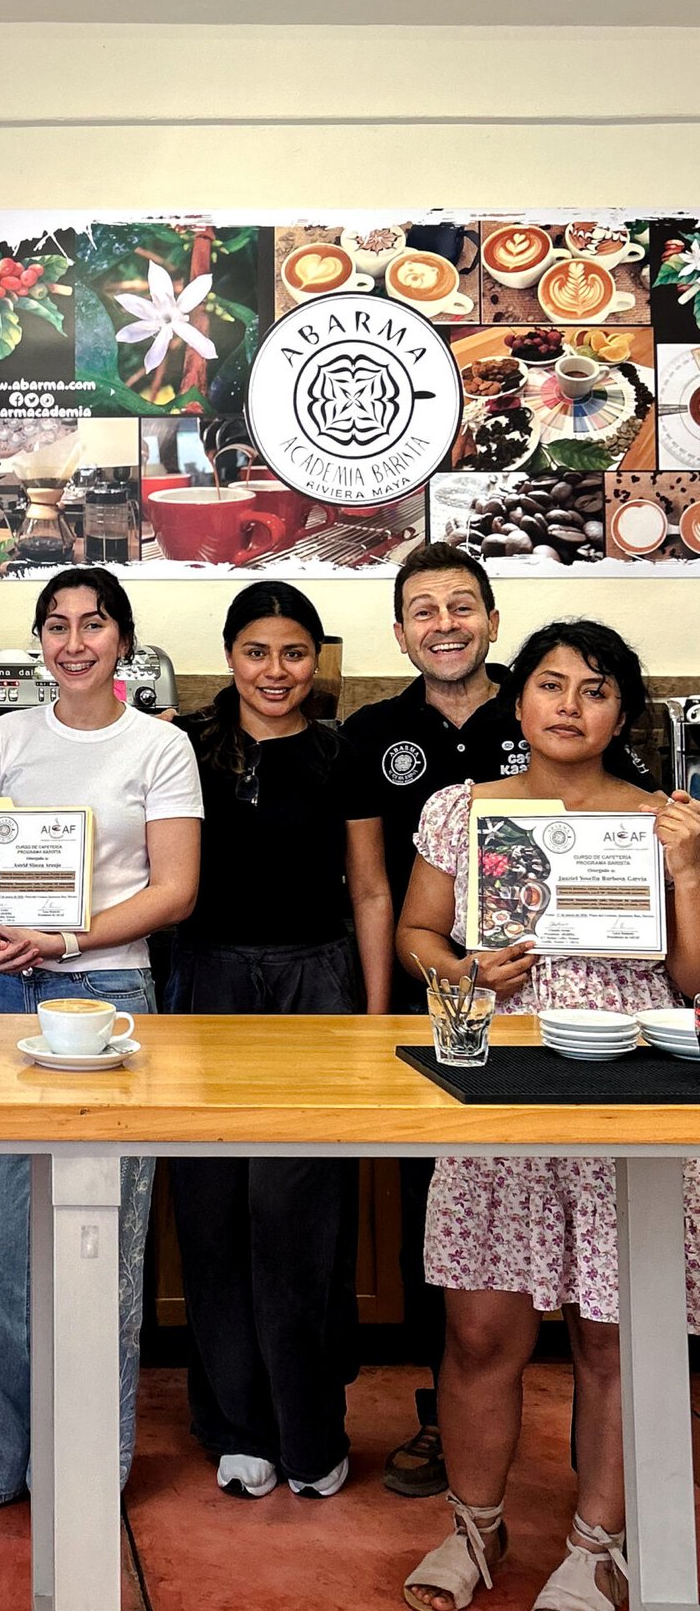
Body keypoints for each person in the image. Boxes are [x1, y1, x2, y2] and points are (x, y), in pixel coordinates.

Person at [398, 620, 700, 1611]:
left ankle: (596, 1545)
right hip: (500, 1078)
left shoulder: (662, 821)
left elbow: (693, 979)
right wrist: (465, 970)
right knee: (480, 1329)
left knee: (616, 1333)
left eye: (596, 689)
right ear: (516, 698)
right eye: (551, 684)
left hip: (631, 1086)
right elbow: (418, 933)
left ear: (623, 713)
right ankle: (474, 1528)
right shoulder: (462, 810)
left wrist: (689, 869)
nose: (570, 705)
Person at [0, 566, 202, 1515]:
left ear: (123, 638)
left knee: (100, 1241)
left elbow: (175, 890)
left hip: (108, 1000)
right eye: (56, 625)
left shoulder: (161, 745)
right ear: (40, 640)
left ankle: (83, 1465)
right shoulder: (6, 738)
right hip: (1, 996)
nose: (74, 642)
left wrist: (65, 938)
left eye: (93, 624)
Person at [168, 582, 392, 1503]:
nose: (275, 670)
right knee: (213, 1209)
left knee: (298, 1214)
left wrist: (376, 1022)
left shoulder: (343, 752)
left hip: (316, 988)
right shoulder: (184, 744)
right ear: (229, 656)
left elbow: (370, 890)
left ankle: (310, 1429)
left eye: (294, 652)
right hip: (208, 986)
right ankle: (236, 1425)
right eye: (256, 651)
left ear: (316, 660)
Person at [341, 543, 522, 1498]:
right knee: (436, 1217)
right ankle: (441, 1418)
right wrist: (381, 1017)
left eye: (461, 605)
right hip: (431, 1007)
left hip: (550, 1007)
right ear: (400, 632)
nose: (444, 624)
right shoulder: (373, 732)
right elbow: (373, 888)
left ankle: (591, 1423)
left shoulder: (545, 703)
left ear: (492, 618)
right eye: (424, 609)